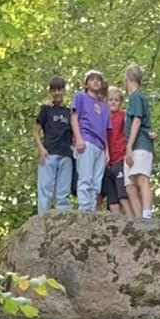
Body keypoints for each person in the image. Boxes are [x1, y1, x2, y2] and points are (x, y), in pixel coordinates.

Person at [70, 69, 109, 213]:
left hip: (100, 146)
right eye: (92, 79)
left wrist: (106, 152)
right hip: (86, 140)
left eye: (98, 79)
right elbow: (74, 117)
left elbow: (105, 131)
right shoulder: (80, 97)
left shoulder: (104, 107)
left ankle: (92, 210)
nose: (95, 82)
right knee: (85, 178)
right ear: (86, 83)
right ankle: (84, 209)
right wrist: (78, 139)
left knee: (96, 182)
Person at [34, 74, 74, 212]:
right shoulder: (46, 109)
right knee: (45, 190)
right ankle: (41, 221)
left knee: (63, 193)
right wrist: (41, 149)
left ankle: (63, 220)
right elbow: (36, 132)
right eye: (54, 90)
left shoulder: (70, 112)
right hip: (49, 153)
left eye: (60, 89)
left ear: (64, 90)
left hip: (66, 155)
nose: (57, 93)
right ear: (50, 92)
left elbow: (75, 134)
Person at [123, 63, 155, 219]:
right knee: (129, 185)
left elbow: (137, 121)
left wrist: (129, 146)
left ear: (128, 79)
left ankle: (147, 214)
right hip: (134, 145)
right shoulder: (134, 99)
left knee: (142, 178)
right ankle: (138, 218)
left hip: (139, 145)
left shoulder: (136, 97)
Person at [101, 88, 133, 215]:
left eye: (116, 100)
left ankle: (132, 219)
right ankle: (117, 223)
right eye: (110, 100)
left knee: (122, 194)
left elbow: (134, 126)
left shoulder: (123, 115)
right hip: (108, 162)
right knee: (112, 198)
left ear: (120, 102)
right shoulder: (103, 118)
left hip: (120, 158)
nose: (113, 103)